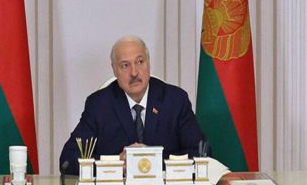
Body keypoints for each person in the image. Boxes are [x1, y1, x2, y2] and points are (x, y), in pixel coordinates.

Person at [58, 36, 207, 174]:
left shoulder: (175, 100)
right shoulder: (99, 105)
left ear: (149, 63)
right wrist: (117, 164)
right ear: (114, 70)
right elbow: (68, 160)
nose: (134, 72)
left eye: (140, 62)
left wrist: (150, 161)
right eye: (125, 65)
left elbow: (201, 154)